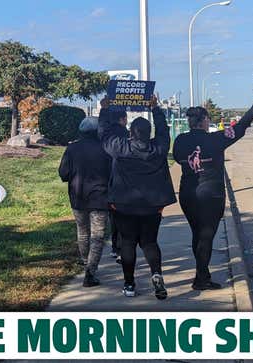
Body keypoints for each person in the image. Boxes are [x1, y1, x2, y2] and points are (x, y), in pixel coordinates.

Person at [173, 93, 253, 290]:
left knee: (197, 234)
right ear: (205, 120)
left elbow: (177, 157)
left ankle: (202, 274)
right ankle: (201, 279)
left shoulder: (180, 140)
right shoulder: (216, 139)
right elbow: (240, 128)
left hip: (187, 193)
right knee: (206, 236)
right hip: (210, 194)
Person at [99, 96, 176, 299]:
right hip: (152, 207)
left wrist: (104, 111)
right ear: (148, 133)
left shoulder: (121, 148)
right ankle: (157, 275)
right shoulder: (159, 148)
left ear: (131, 133)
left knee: (128, 244)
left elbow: (104, 135)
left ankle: (129, 284)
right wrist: (156, 108)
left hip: (124, 207)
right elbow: (163, 131)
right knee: (150, 243)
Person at [59, 116, 111, 287]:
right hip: (100, 198)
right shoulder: (105, 148)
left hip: (77, 197)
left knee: (82, 231)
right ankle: (90, 271)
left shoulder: (71, 149)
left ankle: (84, 261)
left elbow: (63, 174)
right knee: (98, 236)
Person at [99, 99, 128, 264]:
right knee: (125, 217)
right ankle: (122, 248)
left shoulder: (106, 137)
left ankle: (115, 248)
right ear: (123, 119)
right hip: (125, 181)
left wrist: (104, 110)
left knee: (114, 217)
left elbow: (101, 130)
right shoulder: (126, 135)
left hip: (109, 181)